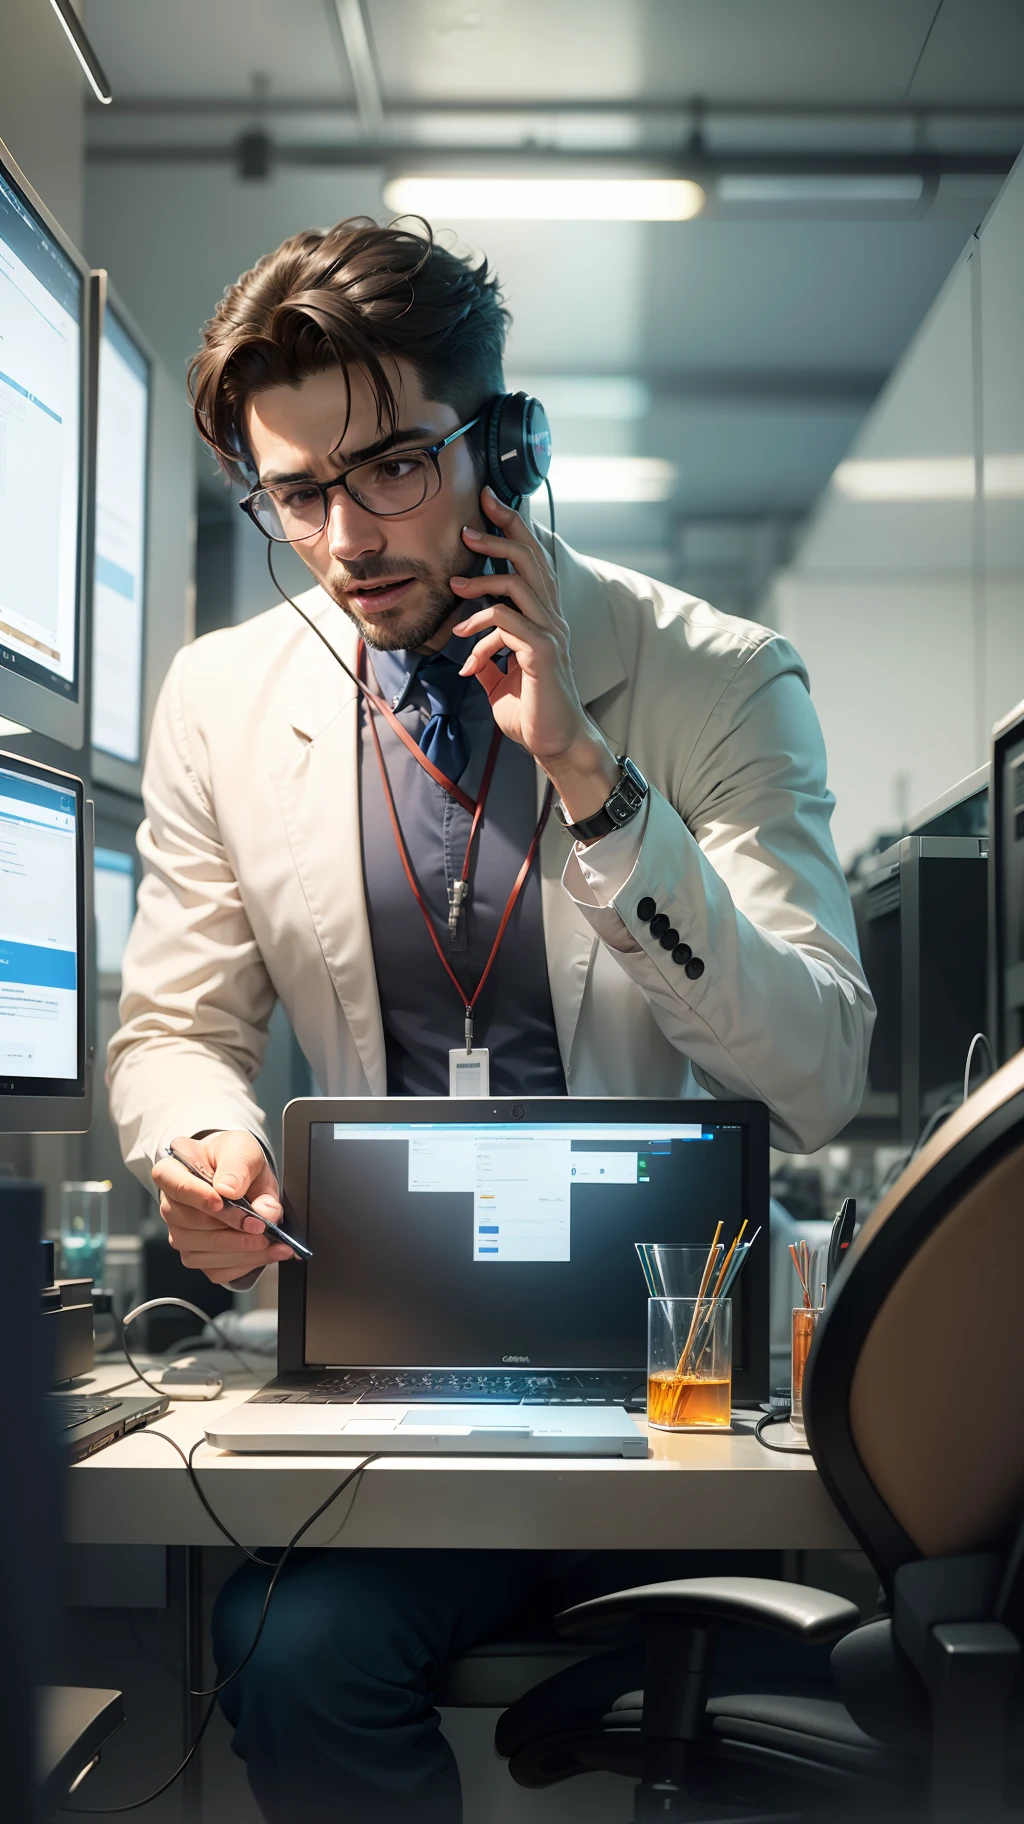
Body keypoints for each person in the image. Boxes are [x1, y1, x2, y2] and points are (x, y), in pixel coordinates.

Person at [108, 218, 873, 1823]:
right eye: (296, 495)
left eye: (389, 470)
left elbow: (815, 1068)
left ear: (502, 444)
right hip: (391, 1390)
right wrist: (204, 1140)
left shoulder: (717, 680)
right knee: (293, 1652)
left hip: (675, 1400)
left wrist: (592, 781)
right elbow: (177, 1024)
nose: (344, 538)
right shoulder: (227, 705)